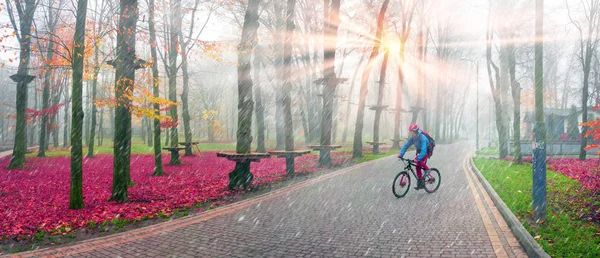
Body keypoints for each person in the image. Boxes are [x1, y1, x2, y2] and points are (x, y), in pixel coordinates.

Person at [397, 124, 430, 190]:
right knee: (417, 166)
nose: (411, 134)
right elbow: (406, 146)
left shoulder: (422, 137)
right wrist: (401, 154)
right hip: (419, 152)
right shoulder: (412, 138)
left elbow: (424, 150)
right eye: (410, 132)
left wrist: (418, 158)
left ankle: (427, 169)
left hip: (426, 152)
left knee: (419, 161)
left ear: (416, 132)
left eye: (412, 132)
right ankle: (420, 181)